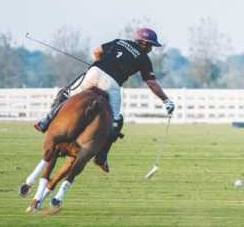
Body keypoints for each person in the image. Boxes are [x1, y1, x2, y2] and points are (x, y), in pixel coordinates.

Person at [34, 28, 175, 172]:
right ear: (144, 43)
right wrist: (166, 100)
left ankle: (45, 122)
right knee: (116, 120)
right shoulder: (144, 59)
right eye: (150, 45)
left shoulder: (119, 41)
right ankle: (101, 157)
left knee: (66, 95)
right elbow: (151, 82)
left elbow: (96, 51)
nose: (151, 48)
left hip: (93, 73)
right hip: (111, 84)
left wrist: (102, 64)